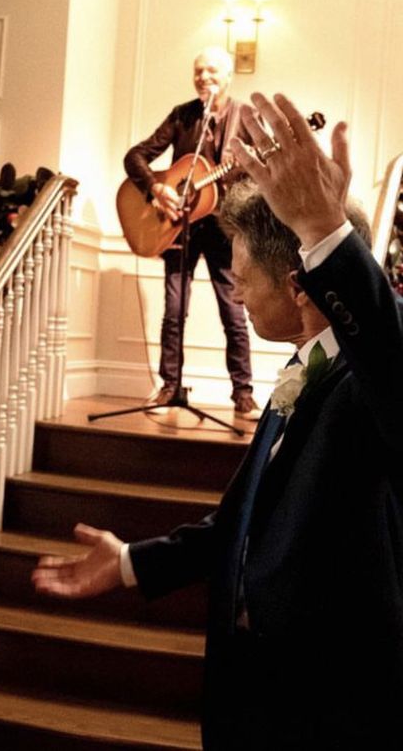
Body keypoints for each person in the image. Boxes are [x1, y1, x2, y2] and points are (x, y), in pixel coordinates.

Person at [33, 93, 403, 750]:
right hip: (253, 700)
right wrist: (132, 565)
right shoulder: (302, 372)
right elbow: (247, 518)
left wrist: (327, 234)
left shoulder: (368, 388)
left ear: (296, 283)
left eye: (239, 279)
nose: (235, 292)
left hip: (329, 712)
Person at [124, 46, 256, 415]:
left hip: (223, 227)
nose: (203, 78)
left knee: (233, 311)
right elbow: (135, 155)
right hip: (178, 226)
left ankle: (242, 393)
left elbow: (260, 170)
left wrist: (240, 173)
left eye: (211, 71)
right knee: (174, 311)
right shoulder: (183, 116)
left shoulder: (245, 117)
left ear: (228, 76)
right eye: (198, 71)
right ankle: (170, 385)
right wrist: (156, 187)